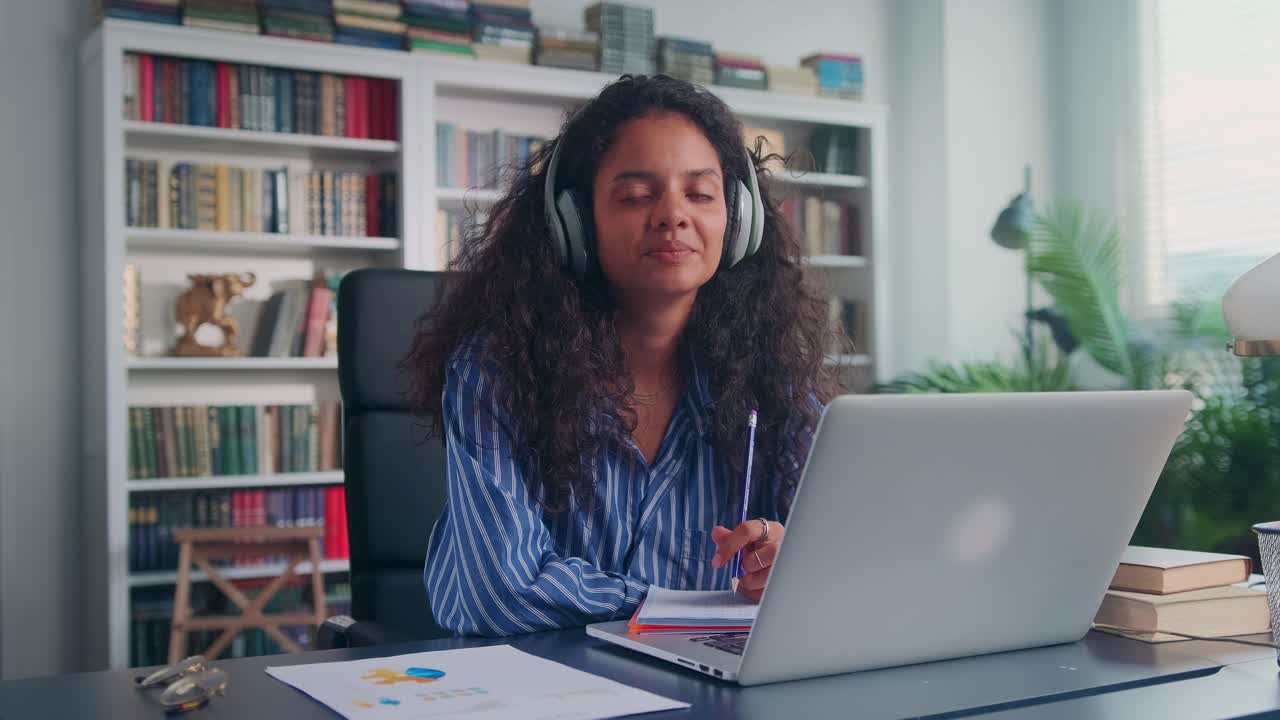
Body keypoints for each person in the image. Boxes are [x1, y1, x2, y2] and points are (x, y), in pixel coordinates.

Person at [403, 74, 842, 637]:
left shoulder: (774, 374)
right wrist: (704, 608)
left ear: (738, 220)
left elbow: (833, 566)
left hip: (708, 680)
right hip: (540, 683)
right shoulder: (498, 368)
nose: (672, 215)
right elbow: (501, 595)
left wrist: (791, 565)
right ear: (575, 222)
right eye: (636, 195)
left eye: (701, 194)